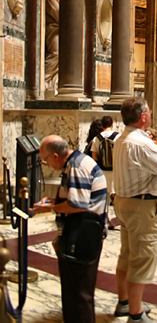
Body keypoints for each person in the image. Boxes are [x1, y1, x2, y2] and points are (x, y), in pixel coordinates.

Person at [110, 100, 157, 323]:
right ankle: (136, 314)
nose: (150, 115)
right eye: (148, 111)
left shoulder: (121, 139)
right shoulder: (142, 143)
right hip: (142, 206)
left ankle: (124, 302)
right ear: (142, 117)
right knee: (141, 258)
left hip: (124, 202)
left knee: (127, 254)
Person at [36, 135, 107, 323]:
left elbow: (78, 204)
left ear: (55, 156)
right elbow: (78, 197)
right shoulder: (76, 162)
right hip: (82, 231)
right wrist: (54, 201)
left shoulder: (76, 166)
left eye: (46, 160)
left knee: (79, 292)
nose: (47, 164)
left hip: (83, 235)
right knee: (74, 290)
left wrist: (51, 208)